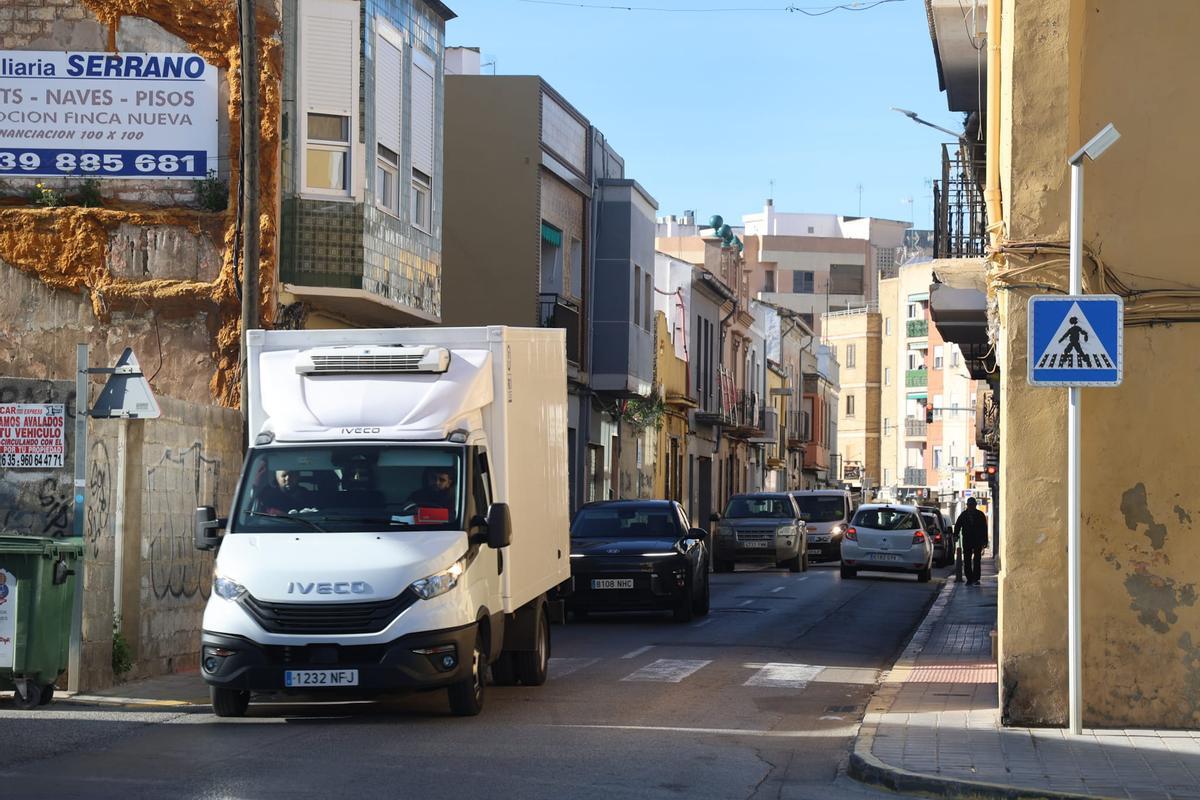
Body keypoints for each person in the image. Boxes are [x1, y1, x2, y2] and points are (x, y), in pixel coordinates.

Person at [953, 497, 989, 586]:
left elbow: (984, 528)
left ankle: (976, 578)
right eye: (969, 505)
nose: (971, 507)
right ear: (967, 506)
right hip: (967, 540)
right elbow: (957, 526)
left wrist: (985, 540)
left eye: (972, 505)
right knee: (967, 560)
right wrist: (955, 535)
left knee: (977, 560)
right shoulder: (963, 515)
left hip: (977, 540)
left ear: (975, 505)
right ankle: (969, 578)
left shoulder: (980, 515)